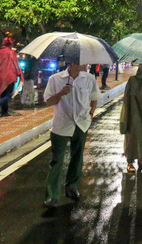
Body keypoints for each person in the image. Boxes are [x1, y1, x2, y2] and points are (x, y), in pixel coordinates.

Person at [43, 62, 101, 208]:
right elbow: (48, 101)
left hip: (81, 123)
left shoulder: (89, 78)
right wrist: (61, 93)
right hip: (62, 124)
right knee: (56, 159)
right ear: (72, 62)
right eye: (80, 61)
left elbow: (94, 97)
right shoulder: (55, 79)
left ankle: (72, 187)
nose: (84, 64)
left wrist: (91, 114)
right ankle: (52, 195)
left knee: (77, 156)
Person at [0, 37, 23, 118]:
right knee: (8, 95)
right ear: (10, 44)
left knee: (3, 94)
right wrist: (20, 73)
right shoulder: (11, 52)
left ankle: (4, 111)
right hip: (9, 75)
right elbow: (15, 64)